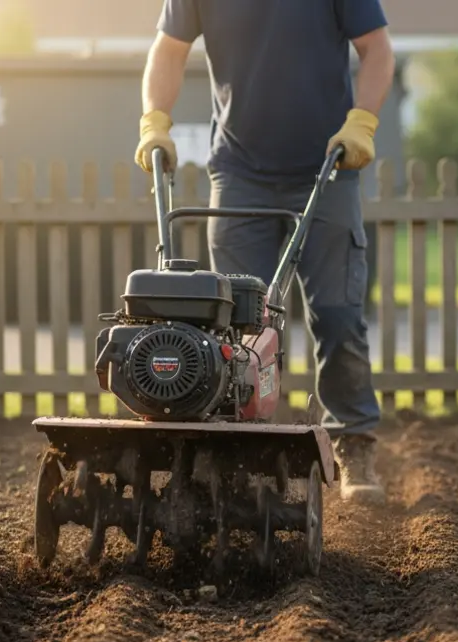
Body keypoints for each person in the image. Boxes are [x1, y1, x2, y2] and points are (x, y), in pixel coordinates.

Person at [134, 0, 394, 505]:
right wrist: (155, 122)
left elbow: (377, 48)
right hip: (239, 172)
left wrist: (362, 121)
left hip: (329, 165)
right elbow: (168, 50)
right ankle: (236, 451)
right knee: (236, 324)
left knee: (338, 314)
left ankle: (354, 442)